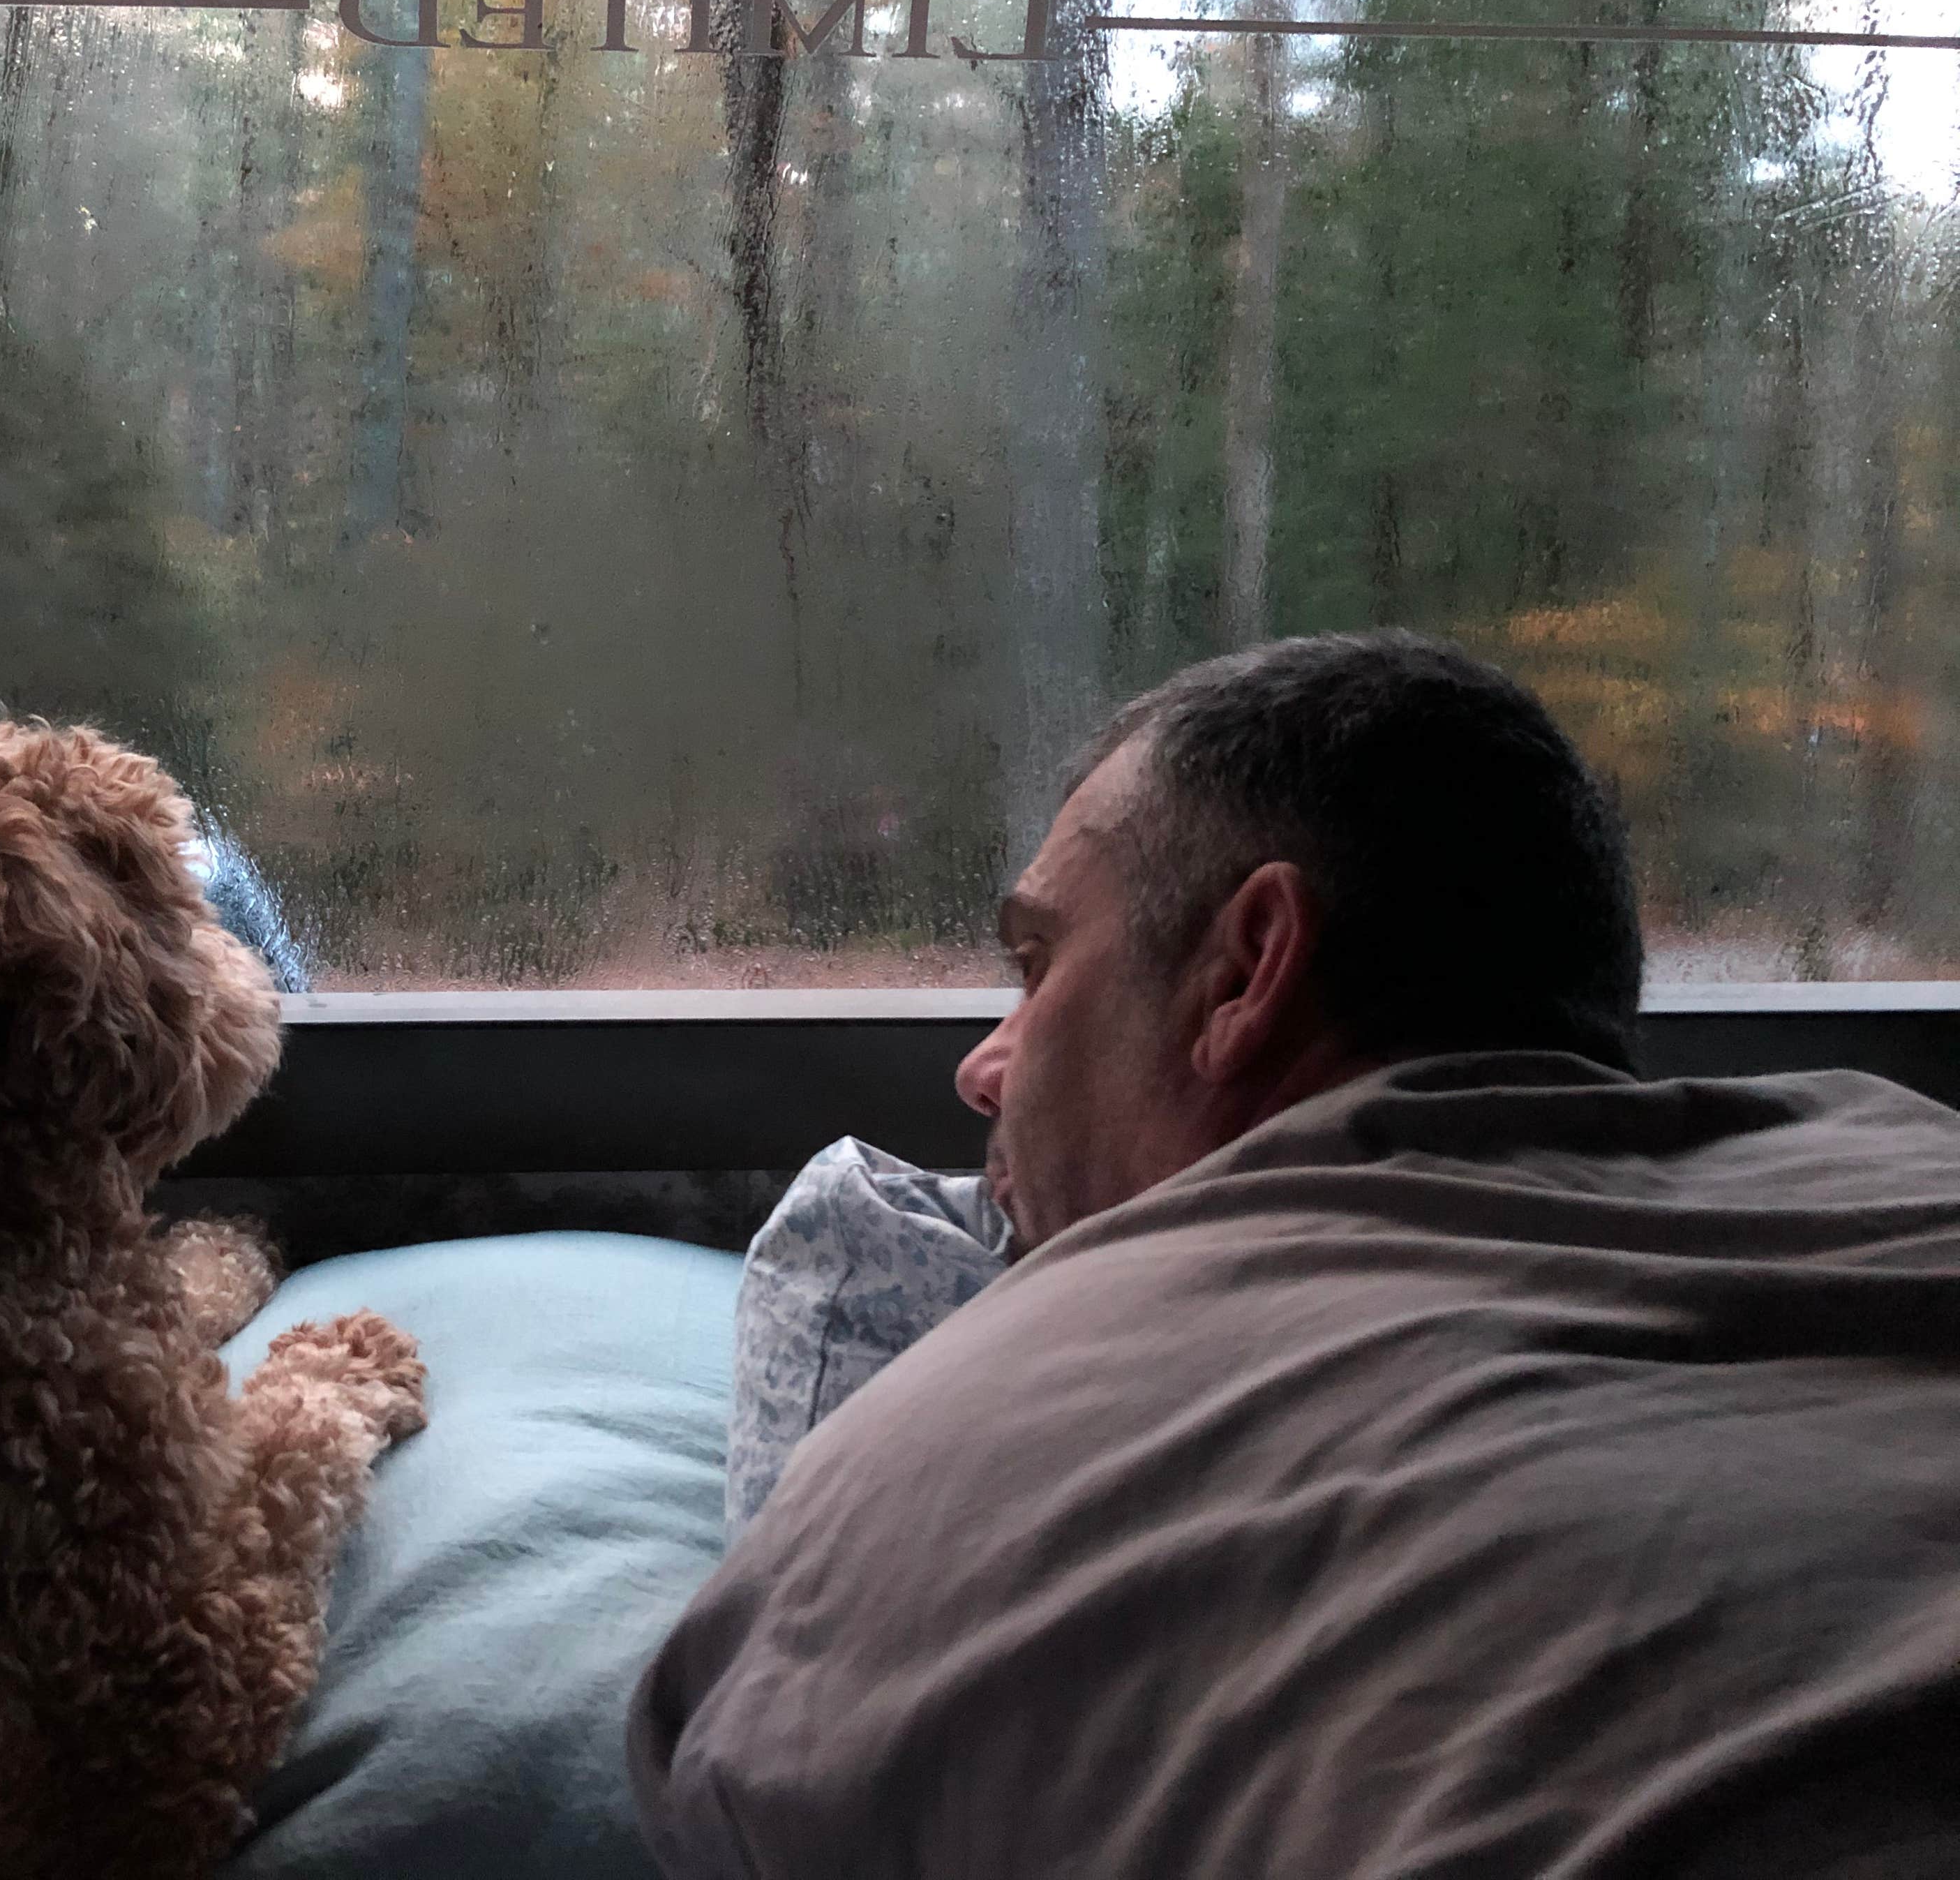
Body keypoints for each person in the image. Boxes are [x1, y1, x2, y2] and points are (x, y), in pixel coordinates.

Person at [634, 630, 1960, 1879]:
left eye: (1039, 965)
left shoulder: (949, 1472)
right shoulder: (1915, 1161)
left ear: (1246, 972)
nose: (983, 1067)